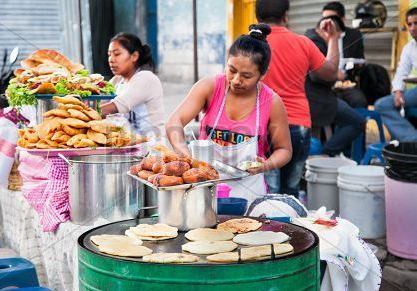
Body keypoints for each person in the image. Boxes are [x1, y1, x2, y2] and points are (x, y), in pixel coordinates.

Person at [166, 23, 292, 204]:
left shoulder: (272, 102)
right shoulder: (210, 87)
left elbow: (284, 150)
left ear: (263, 74)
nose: (236, 80)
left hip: (249, 194)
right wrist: (185, 155)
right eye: (231, 70)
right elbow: (174, 122)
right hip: (204, 187)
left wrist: (266, 165)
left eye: (246, 76)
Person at [255, 0, 340, 197]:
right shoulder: (303, 43)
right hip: (298, 125)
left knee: (269, 194)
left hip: (262, 126)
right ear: (286, 16)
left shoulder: (249, 45)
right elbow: (331, 72)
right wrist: (333, 38)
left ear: (257, 18)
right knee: (290, 191)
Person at [305, 16, 365, 156]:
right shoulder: (316, 43)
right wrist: (335, 76)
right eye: (338, 38)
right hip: (316, 100)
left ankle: (333, 151)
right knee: (357, 122)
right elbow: (318, 75)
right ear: (328, 31)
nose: (337, 42)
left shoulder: (309, 37)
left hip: (315, 97)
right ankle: (327, 152)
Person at [100, 33, 165, 136]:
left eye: (117, 54)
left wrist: (83, 114)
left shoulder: (146, 78)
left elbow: (117, 106)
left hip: (151, 146)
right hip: (128, 144)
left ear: (134, 56)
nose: (111, 60)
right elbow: (100, 104)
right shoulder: (116, 81)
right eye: (109, 54)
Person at [374, 7, 417, 141]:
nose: (413, 28)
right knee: (382, 104)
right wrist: (398, 91)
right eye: (409, 24)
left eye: (416, 23)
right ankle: (413, 141)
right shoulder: (409, 48)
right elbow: (401, 73)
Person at [322, 1, 369, 108]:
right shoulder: (320, 36)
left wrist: (347, 69)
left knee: (360, 101)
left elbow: (360, 60)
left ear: (342, 19)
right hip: (327, 85)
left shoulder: (354, 35)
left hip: (347, 82)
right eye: (324, 19)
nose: (327, 22)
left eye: (331, 19)